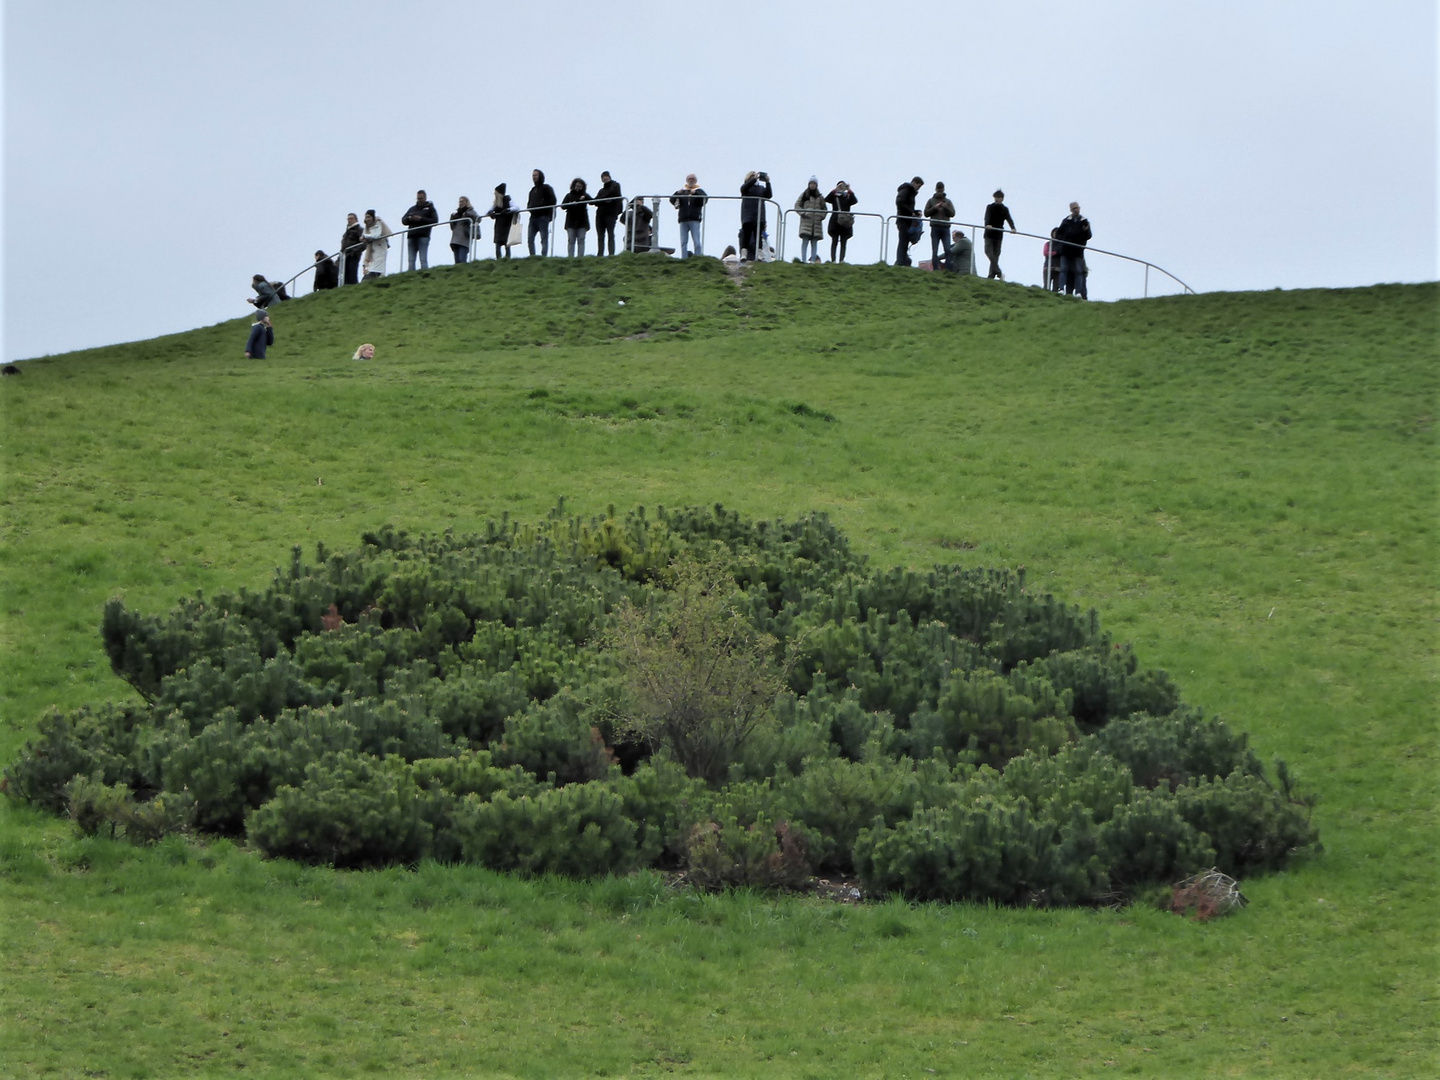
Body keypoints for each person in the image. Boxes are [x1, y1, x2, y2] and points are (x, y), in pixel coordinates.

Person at [1055, 201, 1092, 298]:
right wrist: (1064, 240)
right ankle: (1061, 289)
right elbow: (1058, 233)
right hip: (1066, 249)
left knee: (1078, 271)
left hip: (1078, 250)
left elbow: (1089, 236)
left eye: (1077, 208)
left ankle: (1078, 292)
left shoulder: (1084, 221)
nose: (1076, 210)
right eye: (1074, 208)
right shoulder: (1066, 221)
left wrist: (1085, 231)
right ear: (1071, 210)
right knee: (1064, 269)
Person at [670, 174, 707, 258]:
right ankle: (684, 258)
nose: (691, 180)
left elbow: (704, 200)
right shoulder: (683, 191)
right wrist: (677, 193)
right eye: (689, 179)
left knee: (696, 241)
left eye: (692, 179)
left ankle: (698, 257)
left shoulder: (699, 191)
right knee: (683, 242)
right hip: (683, 220)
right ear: (687, 180)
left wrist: (696, 193)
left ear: (695, 181)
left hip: (695, 219)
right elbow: (672, 200)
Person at [400, 189, 438, 271]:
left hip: (423, 236)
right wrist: (410, 219)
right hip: (411, 236)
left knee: (423, 258)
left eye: (421, 198)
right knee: (411, 260)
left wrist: (421, 219)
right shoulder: (412, 209)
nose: (419, 200)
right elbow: (403, 220)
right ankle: (410, 277)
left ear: (425, 198)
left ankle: (425, 275)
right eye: (418, 198)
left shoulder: (430, 209)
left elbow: (435, 220)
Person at [983, 190, 1017, 280]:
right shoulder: (990, 207)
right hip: (989, 234)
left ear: (1002, 199)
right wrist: (987, 224)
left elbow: (1009, 219)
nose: (997, 199)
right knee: (988, 251)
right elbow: (987, 217)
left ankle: (991, 275)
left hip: (998, 235)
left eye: (999, 198)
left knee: (996, 254)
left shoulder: (1004, 209)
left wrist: (1013, 228)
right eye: (995, 197)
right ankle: (998, 272)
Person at [738, 170, 772, 261]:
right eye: (752, 176)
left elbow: (769, 195)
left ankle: (760, 255)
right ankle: (744, 254)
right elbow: (743, 189)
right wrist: (753, 179)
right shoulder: (746, 187)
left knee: (758, 235)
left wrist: (768, 182)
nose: (755, 177)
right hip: (748, 214)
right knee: (747, 234)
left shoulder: (760, 188)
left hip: (759, 214)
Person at [794, 177, 827, 263]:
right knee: (805, 242)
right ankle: (803, 259)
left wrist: (821, 216)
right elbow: (797, 205)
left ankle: (813, 260)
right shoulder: (804, 195)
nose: (812, 185)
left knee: (814, 243)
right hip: (806, 222)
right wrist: (803, 213)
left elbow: (825, 209)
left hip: (816, 224)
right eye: (811, 183)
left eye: (814, 184)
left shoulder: (820, 197)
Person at [924, 182, 955, 270]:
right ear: (936, 189)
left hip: (945, 228)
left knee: (947, 250)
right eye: (938, 190)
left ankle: (948, 269)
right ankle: (935, 269)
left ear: (943, 190)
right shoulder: (931, 201)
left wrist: (945, 207)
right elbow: (926, 213)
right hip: (935, 227)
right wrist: (934, 208)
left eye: (941, 190)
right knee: (935, 250)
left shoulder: (948, 201)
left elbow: (952, 213)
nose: (939, 192)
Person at [825, 181, 858, 263]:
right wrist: (835, 190)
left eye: (842, 186)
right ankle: (833, 260)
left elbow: (855, 201)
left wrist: (849, 190)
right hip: (835, 222)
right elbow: (826, 199)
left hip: (845, 222)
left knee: (844, 242)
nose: (841, 187)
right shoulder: (834, 197)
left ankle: (841, 260)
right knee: (834, 241)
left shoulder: (847, 197)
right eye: (839, 186)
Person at [526, 169, 556, 256]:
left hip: (543, 216)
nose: (534, 177)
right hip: (533, 217)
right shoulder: (532, 190)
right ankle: (532, 256)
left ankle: (544, 255)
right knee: (530, 238)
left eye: (536, 175)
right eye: (533, 175)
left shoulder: (546, 188)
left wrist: (541, 205)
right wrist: (530, 207)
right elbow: (529, 202)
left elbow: (553, 200)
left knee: (544, 238)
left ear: (540, 176)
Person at [894, 176, 923, 266]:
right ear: (914, 183)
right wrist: (911, 212)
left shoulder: (909, 191)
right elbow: (900, 202)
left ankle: (902, 262)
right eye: (918, 186)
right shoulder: (906, 189)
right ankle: (900, 263)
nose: (918, 189)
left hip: (905, 219)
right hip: (903, 219)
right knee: (903, 241)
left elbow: (904, 204)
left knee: (904, 241)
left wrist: (914, 212)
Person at [594, 171, 623, 256]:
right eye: (603, 177)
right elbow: (595, 201)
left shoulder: (615, 185)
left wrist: (601, 200)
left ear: (609, 177)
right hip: (600, 215)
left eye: (606, 176)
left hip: (611, 214)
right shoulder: (601, 191)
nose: (604, 178)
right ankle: (600, 254)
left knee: (610, 234)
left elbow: (614, 193)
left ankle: (611, 254)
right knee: (600, 236)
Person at [561, 178, 591, 257]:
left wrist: (585, 198)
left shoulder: (585, 195)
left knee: (581, 240)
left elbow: (592, 202)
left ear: (583, 187)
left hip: (582, 222)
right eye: (577, 186)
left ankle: (580, 258)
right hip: (571, 222)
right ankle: (570, 257)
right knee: (571, 240)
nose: (578, 188)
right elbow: (562, 206)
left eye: (580, 186)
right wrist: (573, 203)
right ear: (574, 186)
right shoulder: (569, 195)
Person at [488, 185, 517, 259]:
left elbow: (516, 207)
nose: (494, 194)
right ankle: (499, 260)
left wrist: (508, 210)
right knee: (497, 244)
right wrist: (491, 212)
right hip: (498, 226)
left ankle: (507, 259)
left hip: (506, 225)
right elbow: (489, 210)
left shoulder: (508, 200)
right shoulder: (496, 203)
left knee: (507, 244)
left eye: (496, 193)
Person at [361, 210, 391, 279]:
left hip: (380, 249)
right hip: (372, 251)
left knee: (376, 271)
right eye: (366, 217)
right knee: (371, 271)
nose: (367, 219)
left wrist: (365, 236)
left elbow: (377, 235)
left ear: (373, 217)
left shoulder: (378, 223)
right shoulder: (367, 227)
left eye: (369, 217)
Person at [449, 196, 480, 263]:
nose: (461, 203)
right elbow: (452, 227)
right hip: (455, 239)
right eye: (460, 201)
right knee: (457, 261)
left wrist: (467, 215)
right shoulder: (456, 214)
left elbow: (478, 219)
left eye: (462, 201)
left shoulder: (470, 211)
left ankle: (464, 271)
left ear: (467, 202)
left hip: (465, 238)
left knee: (462, 260)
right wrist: (453, 218)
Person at [340, 213, 364, 285]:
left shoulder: (359, 229)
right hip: (345, 256)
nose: (349, 220)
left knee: (352, 274)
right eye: (348, 219)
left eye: (351, 218)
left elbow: (364, 243)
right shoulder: (347, 232)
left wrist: (355, 251)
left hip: (353, 255)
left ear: (356, 220)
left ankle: (355, 288)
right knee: (345, 276)